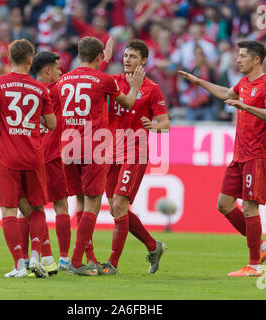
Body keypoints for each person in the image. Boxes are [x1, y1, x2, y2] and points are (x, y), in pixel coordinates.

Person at [179, 40, 266, 277]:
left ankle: (255, 265)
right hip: (239, 154)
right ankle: (262, 246)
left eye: (243, 56)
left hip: (257, 154)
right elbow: (226, 92)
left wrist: (245, 107)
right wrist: (198, 81)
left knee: (249, 206)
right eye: (238, 55)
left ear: (256, 59)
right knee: (224, 205)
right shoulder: (244, 82)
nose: (238, 59)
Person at [58, 36, 145, 276]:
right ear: (99, 57)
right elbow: (127, 102)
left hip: (67, 146)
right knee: (94, 202)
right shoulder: (104, 79)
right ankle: (77, 262)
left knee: (80, 201)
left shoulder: (63, 79)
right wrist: (135, 85)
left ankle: (86, 258)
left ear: (78, 54)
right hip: (93, 147)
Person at [0, 39, 56, 278]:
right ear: (31, 60)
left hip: (7, 158)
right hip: (33, 157)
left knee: (9, 212)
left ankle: (19, 265)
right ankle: (35, 257)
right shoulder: (40, 88)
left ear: (9, 59)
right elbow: (52, 124)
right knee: (37, 208)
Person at [98, 39, 170, 275]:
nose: (127, 59)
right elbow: (93, 79)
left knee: (119, 204)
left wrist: (154, 126)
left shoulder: (152, 89)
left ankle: (112, 263)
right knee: (116, 210)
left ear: (144, 60)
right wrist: (104, 59)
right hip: (111, 152)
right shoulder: (114, 81)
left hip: (135, 152)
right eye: (126, 55)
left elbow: (166, 123)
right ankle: (153, 246)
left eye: (133, 56)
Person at [17, 50, 71, 275]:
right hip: (51, 156)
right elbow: (81, 80)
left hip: (29, 155)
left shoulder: (27, 90)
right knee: (61, 205)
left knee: (27, 209)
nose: (61, 72)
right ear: (47, 70)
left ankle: (24, 258)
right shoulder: (56, 90)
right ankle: (64, 259)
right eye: (58, 68)